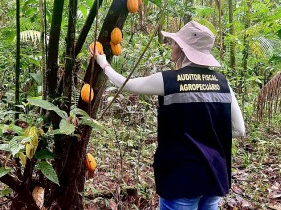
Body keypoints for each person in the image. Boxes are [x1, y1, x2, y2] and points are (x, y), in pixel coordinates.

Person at [91, 21, 245, 210]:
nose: (171, 46)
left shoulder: (169, 81)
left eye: (174, 43)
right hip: (215, 175)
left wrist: (103, 63)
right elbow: (239, 129)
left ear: (182, 48)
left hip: (182, 177)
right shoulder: (223, 83)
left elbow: (125, 84)